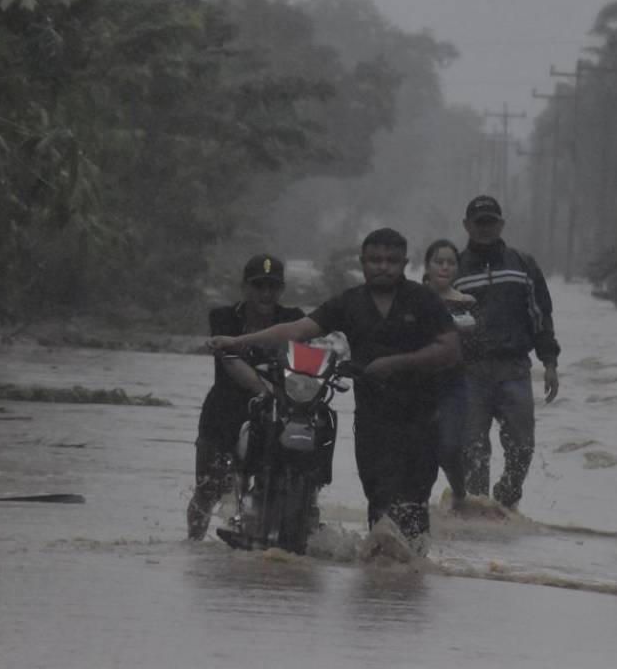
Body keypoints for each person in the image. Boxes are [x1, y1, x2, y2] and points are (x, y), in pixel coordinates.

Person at [209, 228, 460, 552]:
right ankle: (381, 572)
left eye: (391, 261)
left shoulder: (424, 300)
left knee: (413, 504)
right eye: (375, 260)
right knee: (379, 502)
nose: (383, 267)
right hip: (372, 421)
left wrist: (396, 363)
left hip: (421, 419)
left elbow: (450, 350)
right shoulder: (350, 302)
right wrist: (238, 341)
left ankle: (411, 573)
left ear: (404, 263)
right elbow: (297, 330)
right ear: (363, 261)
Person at [186, 254, 305, 540]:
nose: (266, 293)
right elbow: (230, 362)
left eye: (272, 286)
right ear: (244, 287)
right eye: (258, 286)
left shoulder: (292, 319)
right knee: (208, 488)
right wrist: (266, 391)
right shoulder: (223, 317)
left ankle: (262, 539)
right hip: (224, 411)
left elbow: (304, 361)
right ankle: (194, 542)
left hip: (276, 413)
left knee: (274, 482)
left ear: (281, 289)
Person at [455, 195, 560, 511]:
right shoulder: (454, 268)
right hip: (469, 373)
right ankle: (478, 512)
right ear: (467, 225)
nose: (485, 228)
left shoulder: (523, 264)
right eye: (479, 223)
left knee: (522, 445)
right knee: (472, 449)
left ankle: (507, 498)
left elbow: (541, 315)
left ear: (501, 224)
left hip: (514, 369)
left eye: (491, 222)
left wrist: (550, 363)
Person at [422, 238, 476, 511]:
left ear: (457, 268)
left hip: (454, 385)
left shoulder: (467, 302)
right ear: (427, 266)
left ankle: (460, 495)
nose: (445, 267)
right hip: (417, 385)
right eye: (439, 262)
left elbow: (476, 347)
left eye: (450, 263)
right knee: (419, 453)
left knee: (450, 447)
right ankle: (416, 508)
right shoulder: (412, 299)